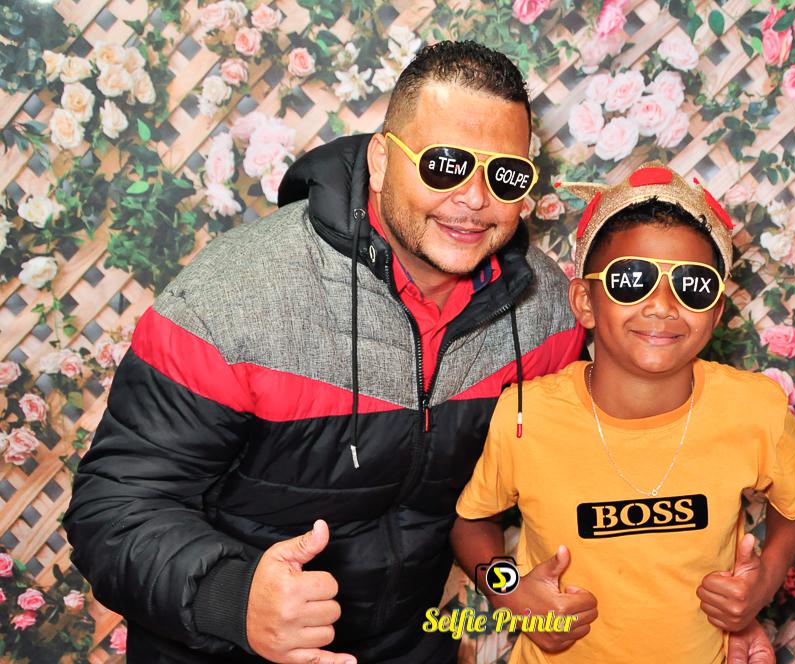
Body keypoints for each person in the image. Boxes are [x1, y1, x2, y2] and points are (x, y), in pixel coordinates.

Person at [64, 41, 583, 664]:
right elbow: (113, 508)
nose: (475, 198)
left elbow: (479, 507)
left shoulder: (545, 313)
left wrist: (505, 583)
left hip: (409, 645)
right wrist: (233, 598)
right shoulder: (235, 297)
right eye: (445, 165)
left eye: (506, 175)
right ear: (382, 161)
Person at [451, 162, 795, 663]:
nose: (663, 306)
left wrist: (767, 577)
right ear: (585, 301)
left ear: (715, 312)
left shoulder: (754, 409)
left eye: (692, 286)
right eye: (631, 280)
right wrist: (511, 592)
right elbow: (471, 523)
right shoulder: (527, 414)